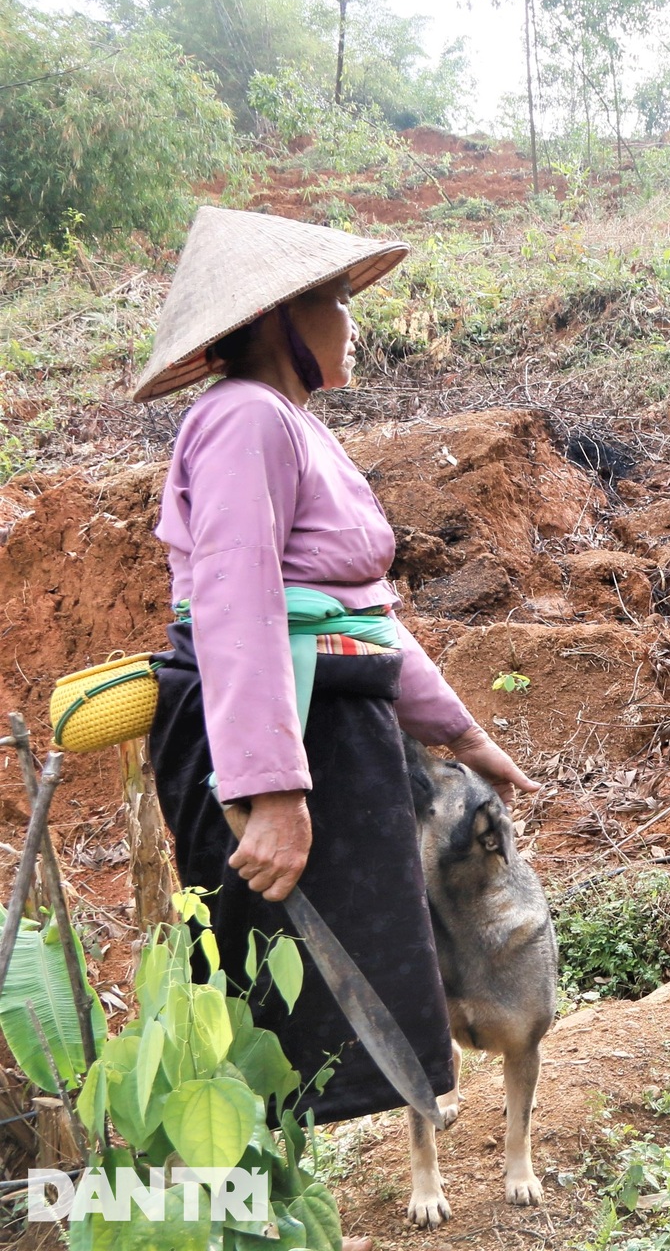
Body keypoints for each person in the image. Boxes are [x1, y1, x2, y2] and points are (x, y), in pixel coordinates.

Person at [132, 207, 537, 1172]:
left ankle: (280, 1213)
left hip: (332, 728)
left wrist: (466, 737)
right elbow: (238, 603)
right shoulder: (241, 421)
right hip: (273, 738)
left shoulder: (293, 424)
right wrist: (269, 791)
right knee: (258, 993)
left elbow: (358, 611)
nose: (354, 323)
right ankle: (233, 1217)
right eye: (338, 301)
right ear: (280, 319)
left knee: (323, 989)